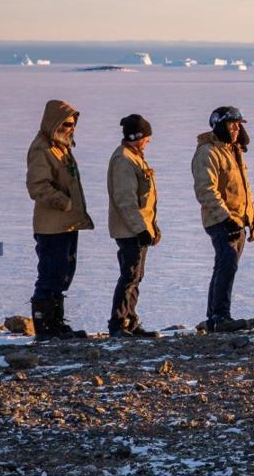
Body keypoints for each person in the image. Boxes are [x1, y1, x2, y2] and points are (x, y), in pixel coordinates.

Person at [26, 99, 94, 340]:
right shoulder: (42, 149)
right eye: (66, 123)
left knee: (64, 272)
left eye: (73, 124)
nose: (71, 128)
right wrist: (64, 202)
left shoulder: (61, 147)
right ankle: (45, 327)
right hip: (51, 225)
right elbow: (37, 186)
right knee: (51, 273)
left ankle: (56, 323)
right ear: (53, 122)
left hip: (66, 223)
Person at [193, 106, 254, 332]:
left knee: (225, 265)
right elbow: (206, 190)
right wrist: (225, 218)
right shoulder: (208, 153)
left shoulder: (234, 151)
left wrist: (253, 218)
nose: (236, 128)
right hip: (221, 220)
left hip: (238, 219)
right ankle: (220, 316)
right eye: (232, 124)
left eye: (238, 124)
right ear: (220, 125)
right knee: (227, 263)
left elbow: (244, 188)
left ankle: (215, 316)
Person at [107, 114, 160, 338]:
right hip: (129, 230)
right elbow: (126, 200)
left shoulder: (136, 157)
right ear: (137, 137)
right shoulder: (124, 161)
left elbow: (145, 200)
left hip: (139, 228)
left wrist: (152, 227)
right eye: (146, 138)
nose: (148, 142)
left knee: (136, 276)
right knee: (129, 275)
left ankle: (129, 319)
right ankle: (118, 324)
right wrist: (141, 229)